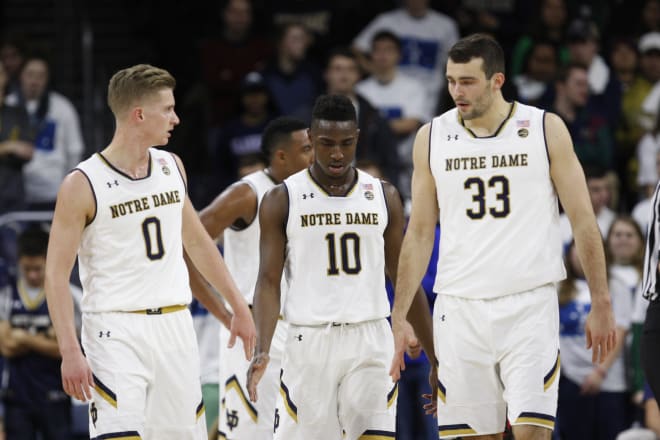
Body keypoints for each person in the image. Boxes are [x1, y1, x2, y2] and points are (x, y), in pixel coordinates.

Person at [390, 34, 617, 440]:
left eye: (468, 81)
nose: (456, 91)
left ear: (497, 80)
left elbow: (583, 221)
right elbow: (420, 232)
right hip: (460, 308)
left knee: (533, 433)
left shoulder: (544, 128)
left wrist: (601, 300)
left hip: (529, 304)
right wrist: (400, 313)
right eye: (451, 80)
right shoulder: (432, 137)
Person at [44, 64, 256, 440]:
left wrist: (238, 305)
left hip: (174, 326)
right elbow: (56, 276)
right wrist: (70, 350)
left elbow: (197, 243)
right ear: (139, 114)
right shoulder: (82, 183)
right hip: (116, 329)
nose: (175, 118)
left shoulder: (172, 166)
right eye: (168, 109)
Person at [246, 94, 434, 440]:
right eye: (326, 143)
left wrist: (435, 357)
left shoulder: (383, 195)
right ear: (311, 139)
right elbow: (268, 282)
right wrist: (263, 348)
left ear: (358, 138)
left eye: (346, 144)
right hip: (310, 340)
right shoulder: (282, 198)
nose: (337, 153)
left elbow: (405, 278)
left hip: (370, 338)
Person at [188, 116, 313, 439]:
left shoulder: (313, 192)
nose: (315, 156)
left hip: (307, 326)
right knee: (251, 431)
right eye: (306, 149)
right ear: (281, 156)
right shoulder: (246, 194)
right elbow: (185, 249)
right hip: (256, 326)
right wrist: (225, 314)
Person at [0, 226, 81, 439]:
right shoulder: (6, 294)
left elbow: (64, 349)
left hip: (55, 394)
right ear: (18, 262)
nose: (33, 275)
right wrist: (46, 337)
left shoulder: (70, 296)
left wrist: (23, 337)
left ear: (48, 260)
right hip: (17, 397)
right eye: (27, 269)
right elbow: (6, 346)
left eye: (38, 268)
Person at [6, 55, 84, 211]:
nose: (34, 81)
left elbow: (75, 151)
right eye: (30, 74)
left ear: (47, 79)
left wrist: (69, 190)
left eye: (40, 76)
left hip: (54, 192)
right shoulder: (7, 105)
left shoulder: (63, 107)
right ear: (21, 75)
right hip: (14, 194)